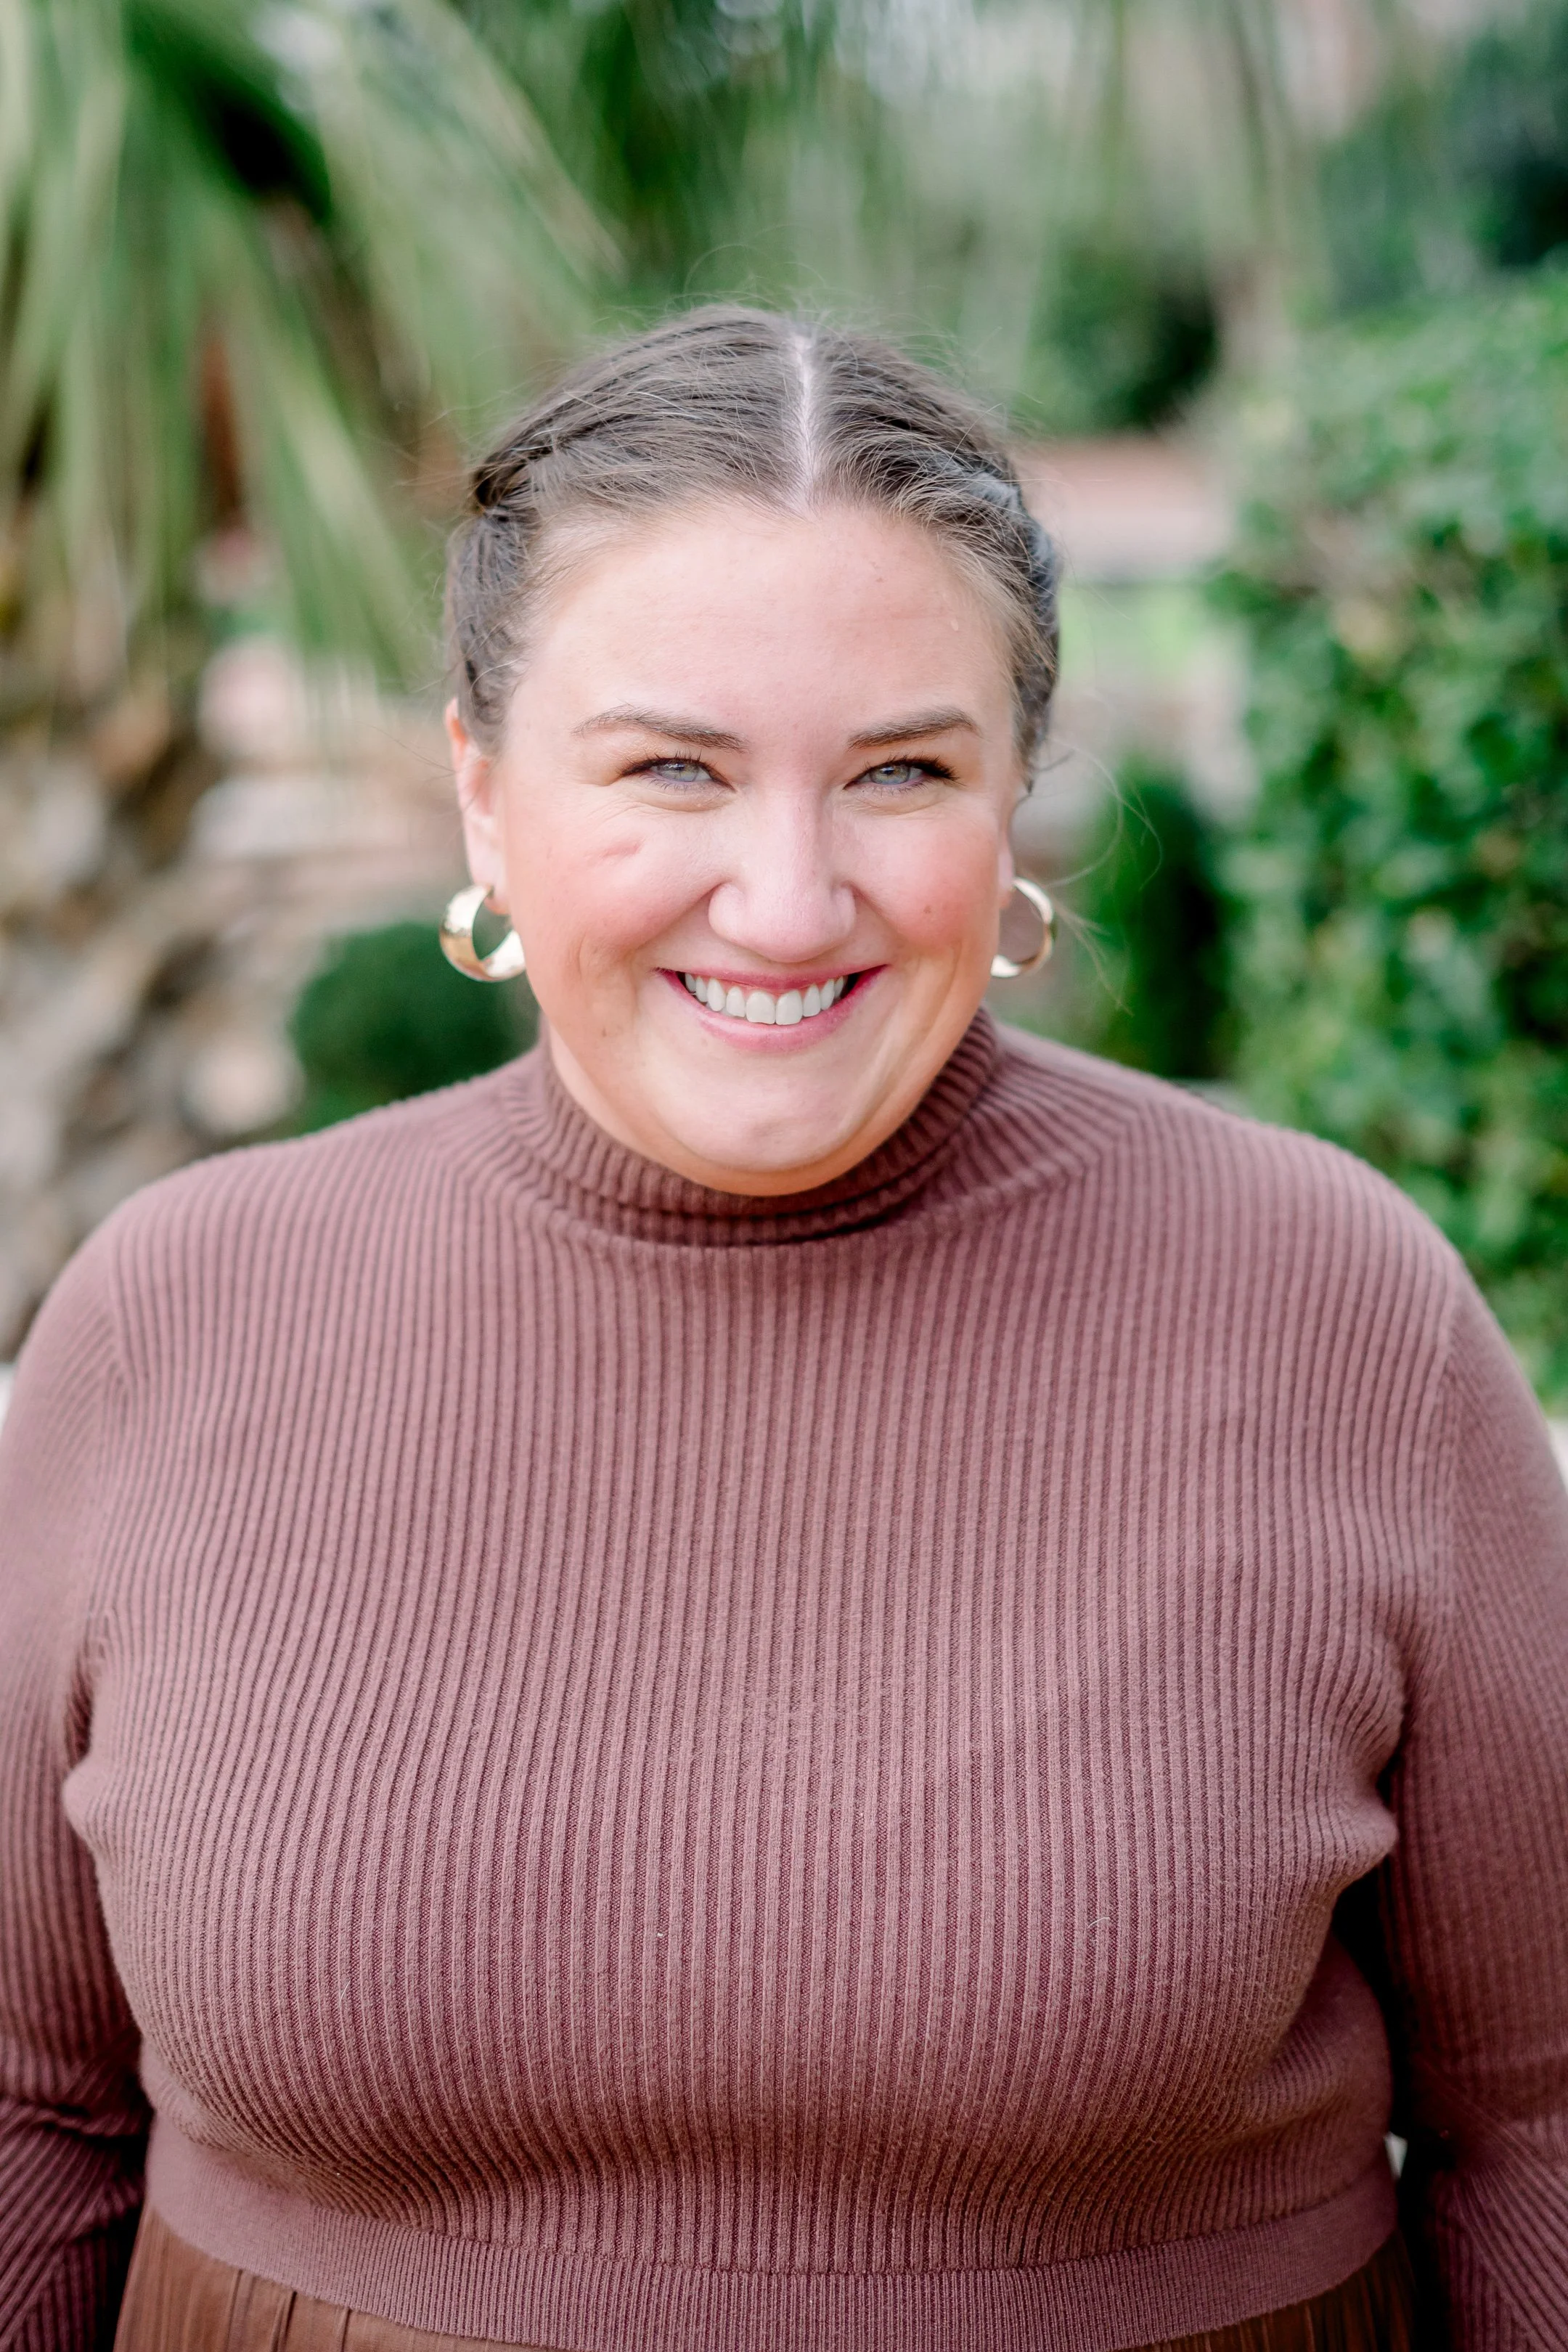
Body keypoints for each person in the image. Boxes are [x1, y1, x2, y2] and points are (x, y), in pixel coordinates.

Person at [1, 307, 1564, 2352]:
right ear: (484, 794)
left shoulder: (1339, 1313)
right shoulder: (170, 1319)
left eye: (902, 771)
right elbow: (30, 2109)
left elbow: (1540, 2119)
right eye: (672, 769)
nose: (787, 894)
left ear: (1013, 807)